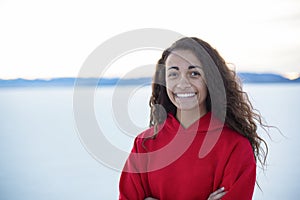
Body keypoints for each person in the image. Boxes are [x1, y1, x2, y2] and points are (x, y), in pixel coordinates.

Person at [119, 37, 268, 200]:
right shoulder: (144, 144)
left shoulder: (235, 147)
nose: (182, 83)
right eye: (173, 74)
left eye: (194, 73)